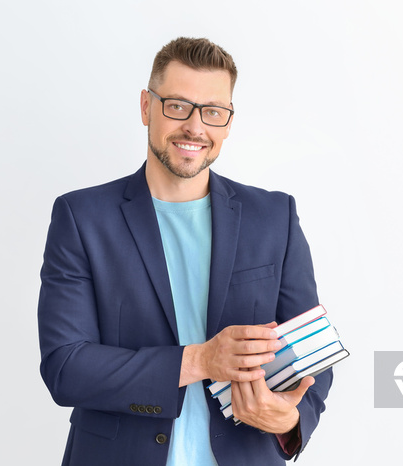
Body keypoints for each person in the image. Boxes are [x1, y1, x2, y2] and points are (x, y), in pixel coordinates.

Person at [38, 37, 333, 466]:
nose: (195, 127)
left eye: (213, 112)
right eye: (177, 106)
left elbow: (312, 354)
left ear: (228, 122)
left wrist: (288, 418)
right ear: (146, 107)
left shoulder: (274, 216)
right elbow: (66, 368)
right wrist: (199, 360)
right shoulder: (82, 218)